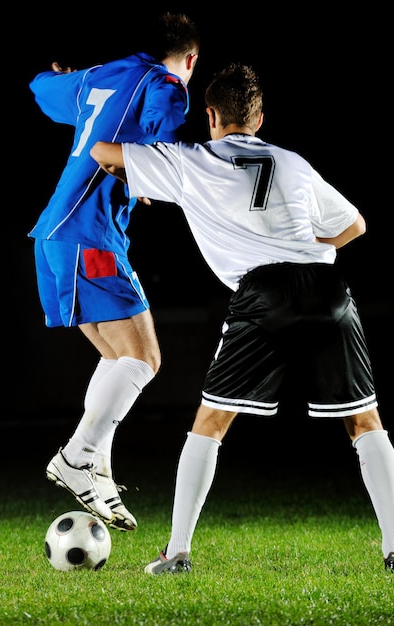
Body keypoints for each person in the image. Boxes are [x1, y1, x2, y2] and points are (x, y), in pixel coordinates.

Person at [90, 62, 394, 571]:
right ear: (258, 118)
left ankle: (178, 553)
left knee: (210, 422)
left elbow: (103, 152)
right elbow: (355, 225)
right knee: (365, 421)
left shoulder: (191, 159)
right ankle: (393, 549)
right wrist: (306, 245)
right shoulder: (293, 162)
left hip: (264, 293)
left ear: (210, 115)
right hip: (328, 288)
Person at [27, 13, 200, 532]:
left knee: (115, 359)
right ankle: (76, 457)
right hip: (89, 232)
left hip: (53, 234)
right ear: (190, 59)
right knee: (144, 358)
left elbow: (40, 87)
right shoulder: (168, 84)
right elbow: (164, 139)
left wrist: (72, 78)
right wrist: (148, 168)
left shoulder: (101, 75)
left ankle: (96, 467)